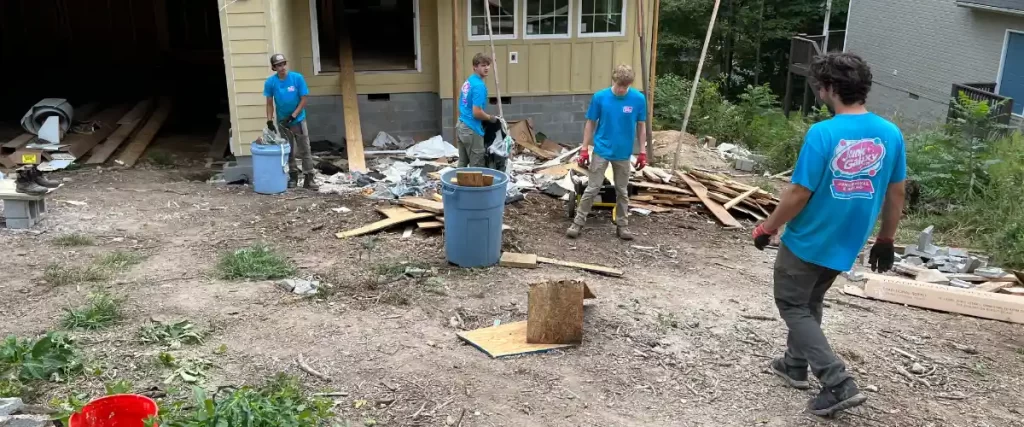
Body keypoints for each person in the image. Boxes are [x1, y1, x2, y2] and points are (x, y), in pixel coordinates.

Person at [752, 52, 906, 417]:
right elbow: (896, 191)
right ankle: (794, 364)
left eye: (820, 86)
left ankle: (837, 382)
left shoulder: (824, 133)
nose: (818, 92)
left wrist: (768, 227)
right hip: (846, 241)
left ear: (831, 88)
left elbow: (798, 193)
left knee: (792, 304)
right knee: (811, 300)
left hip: (809, 239)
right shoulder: (890, 133)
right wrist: (886, 239)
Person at [566, 64, 647, 241]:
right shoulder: (600, 97)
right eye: (619, 85)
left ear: (630, 84)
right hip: (602, 149)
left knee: (622, 190)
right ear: (614, 81)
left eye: (625, 86)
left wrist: (642, 151)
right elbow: (590, 123)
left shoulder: (638, 99)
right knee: (592, 188)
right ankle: (577, 223)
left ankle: (622, 226)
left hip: (623, 152)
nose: (622, 89)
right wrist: (584, 149)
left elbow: (641, 126)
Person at [264, 53, 317, 190]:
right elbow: (269, 103)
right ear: (274, 68)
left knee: (305, 148)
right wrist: (269, 120)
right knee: (288, 150)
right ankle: (293, 176)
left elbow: (304, 98)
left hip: (297, 119)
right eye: (278, 65)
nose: (282, 67)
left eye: (283, 64)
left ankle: (309, 177)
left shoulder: (297, 78)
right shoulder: (271, 82)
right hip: (283, 122)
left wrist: (293, 115)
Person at [457, 53, 499, 169]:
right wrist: (491, 118)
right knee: (477, 166)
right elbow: (477, 112)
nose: (486, 68)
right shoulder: (479, 86)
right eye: (483, 65)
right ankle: (473, 188)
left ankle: (459, 187)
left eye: (488, 65)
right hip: (471, 128)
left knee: (462, 163)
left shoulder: (469, 81)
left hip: (462, 125)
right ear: (475, 67)